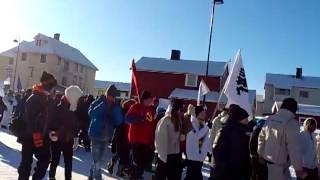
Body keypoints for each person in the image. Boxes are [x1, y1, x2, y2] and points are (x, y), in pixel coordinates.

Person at [18, 71, 57, 180]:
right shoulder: (35, 98)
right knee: (27, 163)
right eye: (52, 87)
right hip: (31, 136)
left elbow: (46, 119)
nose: (53, 90)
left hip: (39, 136)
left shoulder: (44, 98)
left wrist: (50, 131)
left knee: (40, 161)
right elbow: (30, 119)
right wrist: (36, 135)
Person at [258, 98, 307, 180]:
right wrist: (298, 170)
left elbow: (261, 137)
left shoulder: (270, 119)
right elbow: (294, 148)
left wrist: (260, 154)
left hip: (267, 163)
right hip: (279, 167)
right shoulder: (291, 123)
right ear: (293, 109)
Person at [48, 85, 83, 180]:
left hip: (68, 139)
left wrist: (76, 137)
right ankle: (51, 177)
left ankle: (68, 178)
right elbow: (51, 123)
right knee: (55, 160)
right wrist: (52, 133)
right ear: (72, 97)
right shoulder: (58, 108)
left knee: (68, 162)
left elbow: (75, 124)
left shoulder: (73, 109)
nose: (78, 101)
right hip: (57, 139)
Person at [88, 84, 122, 180]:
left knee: (98, 160)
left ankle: (91, 176)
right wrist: (102, 105)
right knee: (97, 161)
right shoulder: (98, 102)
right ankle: (98, 177)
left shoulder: (115, 106)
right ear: (107, 94)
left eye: (114, 97)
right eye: (111, 96)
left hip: (106, 137)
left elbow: (119, 122)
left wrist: (116, 111)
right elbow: (91, 113)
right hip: (95, 135)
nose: (112, 98)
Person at [211, 105, 251, 180]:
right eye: (245, 118)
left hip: (239, 172)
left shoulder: (244, 132)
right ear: (239, 119)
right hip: (226, 173)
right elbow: (216, 150)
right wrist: (225, 168)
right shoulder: (225, 130)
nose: (247, 121)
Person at [126, 90, 156, 180]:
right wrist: (140, 119)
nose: (152, 100)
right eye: (151, 99)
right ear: (145, 99)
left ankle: (135, 175)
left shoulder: (151, 110)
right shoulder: (136, 107)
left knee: (144, 163)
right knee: (138, 163)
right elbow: (128, 118)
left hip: (147, 141)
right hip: (137, 140)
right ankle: (133, 176)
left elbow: (151, 125)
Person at [154, 99, 183, 180]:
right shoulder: (165, 120)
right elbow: (160, 139)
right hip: (165, 155)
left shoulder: (178, 121)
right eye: (179, 110)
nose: (180, 112)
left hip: (175, 155)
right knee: (160, 177)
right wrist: (163, 156)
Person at [108, 99, 136, 178]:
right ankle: (119, 171)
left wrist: (114, 140)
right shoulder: (129, 115)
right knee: (124, 156)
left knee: (118, 154)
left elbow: (117, 128)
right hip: (126, 138)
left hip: (120, 138)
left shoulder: (121, 113)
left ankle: (112, 164)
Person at [185, 106, 210, 180]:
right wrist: (207, 128)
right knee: (193, 176)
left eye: (204, 113)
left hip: (200, 156)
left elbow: (206, 140)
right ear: (197, 114)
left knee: (192, 176)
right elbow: (197, 136)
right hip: (192, 155)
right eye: (201, 113)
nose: (204, 114)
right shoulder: (191, 123)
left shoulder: (202, 124)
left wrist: (210, 150)